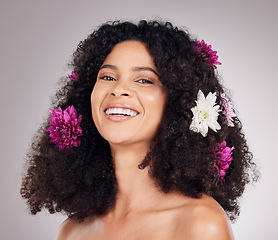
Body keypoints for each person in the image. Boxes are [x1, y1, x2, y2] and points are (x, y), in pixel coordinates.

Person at [20, 20, 257, 239]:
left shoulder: (201, 223)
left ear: (178, 104)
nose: (119, 89)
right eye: (107, 77)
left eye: (144, 80)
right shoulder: (72, 232)